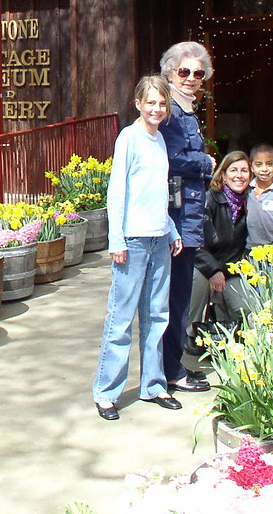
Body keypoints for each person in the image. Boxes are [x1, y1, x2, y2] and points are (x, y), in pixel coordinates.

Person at [93, 75, 184, 420]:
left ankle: (153, 385)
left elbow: (158, 192)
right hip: (132, 242)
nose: (157, 109)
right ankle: (106, 393)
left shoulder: (159, 139)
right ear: (138, 104)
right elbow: (117, 192)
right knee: (121, 319)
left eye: (162, 103)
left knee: (157, 315)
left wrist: (171, 229)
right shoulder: (129, 138)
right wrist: (116, 239)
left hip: (160, 238)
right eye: (151, 103)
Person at [158, 41, 215, 394]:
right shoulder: (172, 113)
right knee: (175, 296)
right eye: (184, 71)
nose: (192, 78)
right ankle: (170, 370)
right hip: (178, 215)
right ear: (170, 73)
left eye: (198, 73)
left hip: (189, 212)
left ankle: (173, 364)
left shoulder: (186, 111)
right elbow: (173, 158)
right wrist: (206, 164)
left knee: (179, 293)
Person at [188, 151, 260, 339]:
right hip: (204, 267)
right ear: (224, 175)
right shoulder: (209, 199)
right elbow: (196, 243)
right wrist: (213, 271)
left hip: (232, 271)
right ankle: (189, 334)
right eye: (234, 170)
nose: (239, 175)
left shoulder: (251, 202)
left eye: (244, 171)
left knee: (246, 309)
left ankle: (223, 328)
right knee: (198, 282)